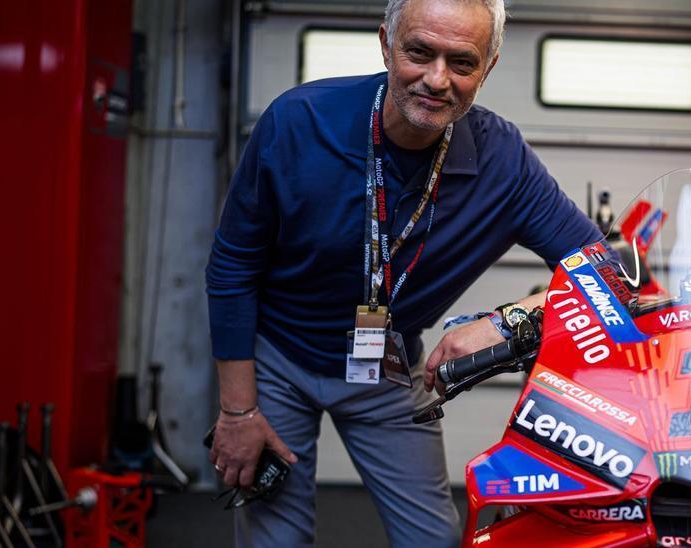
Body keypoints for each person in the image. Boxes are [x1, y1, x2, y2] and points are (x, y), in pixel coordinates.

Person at [203, 0, 603, 545]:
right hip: (277, 359)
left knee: (433, 540)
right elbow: (232, 265)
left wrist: (508, 322)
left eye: (462, 63)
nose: (437, 80)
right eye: (419, 52)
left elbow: (602, 273)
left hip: (387, 367)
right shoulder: (298, 122)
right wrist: (237, 410)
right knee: (275, 540)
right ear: (387, 43)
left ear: (489, 66)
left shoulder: (502, 160)